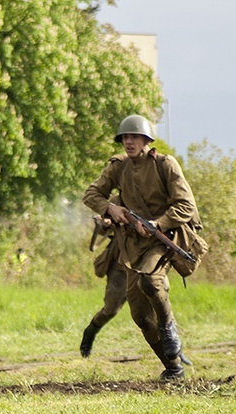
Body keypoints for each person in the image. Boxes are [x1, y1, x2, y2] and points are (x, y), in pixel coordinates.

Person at [83, 114, 200, 379]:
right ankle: (173, 368)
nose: (129, 142)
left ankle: (169, 326)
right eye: (125, 137)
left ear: (147, 139)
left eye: (134, 137)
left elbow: (186, 206)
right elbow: (91, 194)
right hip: (132, 247)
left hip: (165, 240)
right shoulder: (118, 167)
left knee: (150, 281)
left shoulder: (165, 165)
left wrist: (157, 224)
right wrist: (110, 208)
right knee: (141, 318)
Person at [80, 213, 127, 358]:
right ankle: (90, 332)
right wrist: (104, 223)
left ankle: (173, 350)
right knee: (111, 309)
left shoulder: (155, 196)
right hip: (120, 266)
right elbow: (102, 229)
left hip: (147, 262)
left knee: (156, 305)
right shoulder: (118, 201)